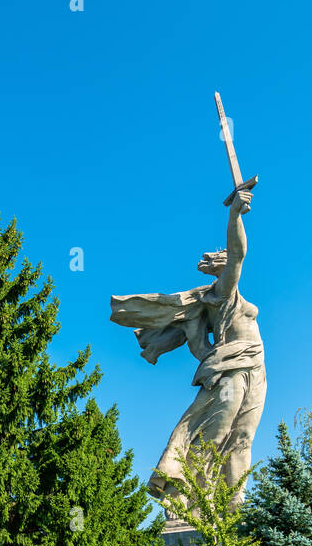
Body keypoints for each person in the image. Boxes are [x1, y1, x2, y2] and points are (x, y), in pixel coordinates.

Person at [109, 188, 265, 500]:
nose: (224, 256)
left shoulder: (214, 299)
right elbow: (239, 254)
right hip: (232, 368)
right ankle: (186, 497)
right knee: (213, 433)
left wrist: (212, 357)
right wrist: (234, 215)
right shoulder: (221, 293)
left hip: (256, 367)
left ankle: (233, 507)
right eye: (219, 256)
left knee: (243, 437)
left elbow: (197, 346)